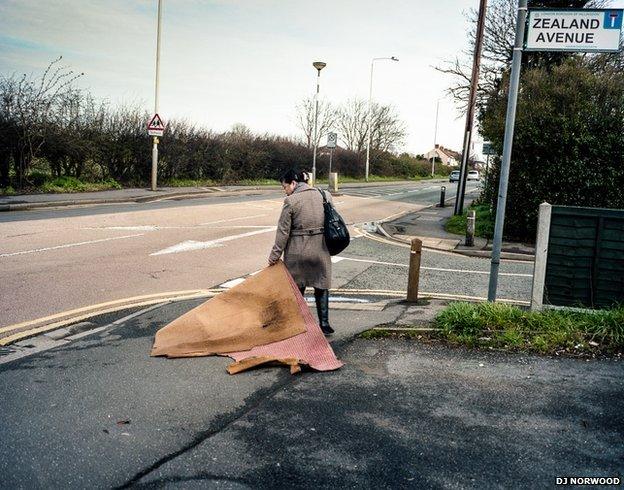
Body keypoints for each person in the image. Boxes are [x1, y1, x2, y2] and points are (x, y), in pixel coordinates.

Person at [268, 169, 334, 335]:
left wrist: (274, 256)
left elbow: (283, 232)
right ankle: (324, 324)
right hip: (321, 249)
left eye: (285, 187)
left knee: (297, 288)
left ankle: (300, 324)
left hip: (298, 251)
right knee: (322, 285)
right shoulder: (325, 195)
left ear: (294, 183)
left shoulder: (291, 201)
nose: (285, 190)